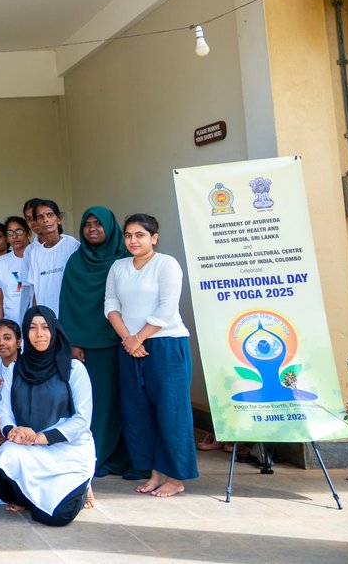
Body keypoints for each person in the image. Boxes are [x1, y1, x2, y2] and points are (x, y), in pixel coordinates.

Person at [105, 213, 197, 498]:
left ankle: (176, 477)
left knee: (171, 411)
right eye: (129, 235)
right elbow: (110, 304)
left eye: (140, 235)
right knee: (138, 413)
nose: (134, 240)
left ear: (153, 238)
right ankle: (156, 473)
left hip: (165, 345)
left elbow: (167, 307)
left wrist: (138, 338)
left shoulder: (166, 264)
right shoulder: (118, 267)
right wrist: (127, 339)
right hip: (130, 347)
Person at [0, 307, 95, 527]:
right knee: (2, 460)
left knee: (55, 517)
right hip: (30, 447)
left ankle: (82, 487)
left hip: (66, 450)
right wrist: (13, 431)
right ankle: (26, 497)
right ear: (25, 334)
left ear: (55, 330)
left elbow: (82, 421)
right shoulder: (16, 369)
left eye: (45, 327)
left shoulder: (73, 369)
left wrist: (41, 438)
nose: (39, 334)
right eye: (33, 328)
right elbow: (6, 412)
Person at [60, 206, 133, 479]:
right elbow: (68, 303)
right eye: (88, 224)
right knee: (92, 403)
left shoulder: (124, 259)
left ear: (110, 227)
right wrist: (73, 342)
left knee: (119, 401)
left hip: (119, 343)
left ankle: (119, 454)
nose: (92, 229)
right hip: (85, 347)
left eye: (98, 224)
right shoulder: (76, 261)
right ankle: (94, 453)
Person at [25, 199, 79, 317]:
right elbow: (35, 289)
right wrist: (35, 315)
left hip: (69, 313)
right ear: (37, 222)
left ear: (58, 219)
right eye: (40, 217)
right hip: (45, 317)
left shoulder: (72, 245)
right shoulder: (35, 253)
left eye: (49, 215)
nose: (45, 220)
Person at [0, 217, 34, 323]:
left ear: (28, 233)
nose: (14, 236)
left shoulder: (38, 256)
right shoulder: (0, 262)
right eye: (10, 233)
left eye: (18, 231)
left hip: (36, 319)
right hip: (11, 322)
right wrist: (0, 325)